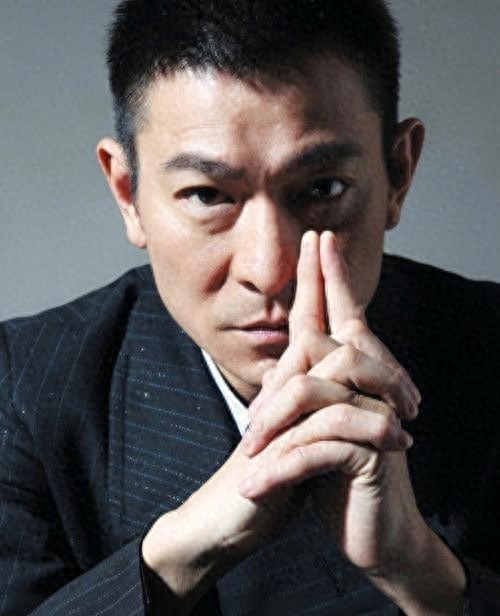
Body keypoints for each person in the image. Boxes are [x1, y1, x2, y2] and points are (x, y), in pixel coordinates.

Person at [1, 0, 500, 614]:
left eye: (321, 190)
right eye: (208, 195)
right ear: (129, 194)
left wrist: (421, 571)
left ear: (398, 173)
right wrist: (176, 557)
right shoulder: (23, 387)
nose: (268, 270)